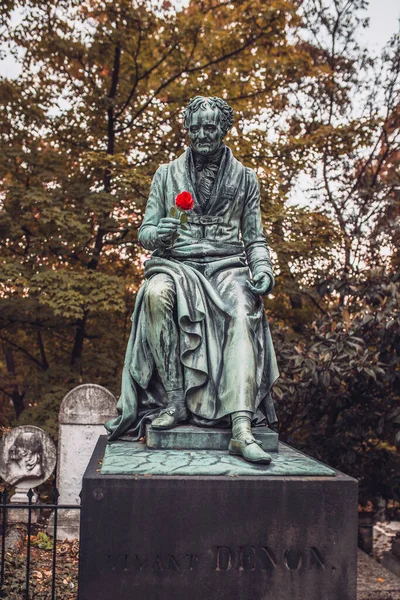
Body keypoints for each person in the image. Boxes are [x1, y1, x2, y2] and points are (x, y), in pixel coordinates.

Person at [106, 96, 279, 465]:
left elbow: (255, 237)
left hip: (226, 267)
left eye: (210, 127)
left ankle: (241, 427)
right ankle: (174, 399)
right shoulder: (165, 174)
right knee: (154, 293)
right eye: (195, 127)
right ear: (187, 128)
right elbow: (145, 231)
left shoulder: (246, 179)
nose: (202, 133)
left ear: (224, 128)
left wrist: (262, 268)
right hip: (176, 265)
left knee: (242, 306)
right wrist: (157, 233)